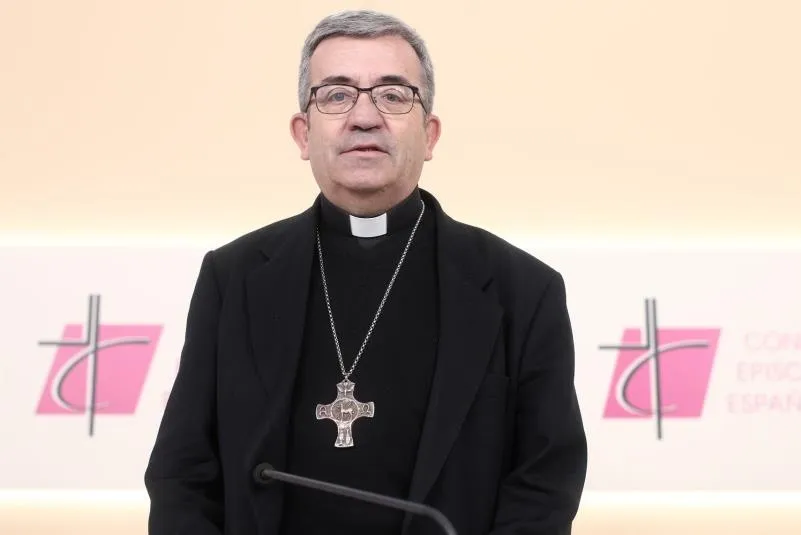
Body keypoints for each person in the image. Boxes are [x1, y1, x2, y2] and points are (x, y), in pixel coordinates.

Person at [144, 9, 587, 535]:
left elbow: (544, 484)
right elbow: (182, 475)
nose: (364, 117)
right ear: (303, 134)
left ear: (431, 134)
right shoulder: (233, 278)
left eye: (393, 95)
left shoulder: (523, 290)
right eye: (336, 95)